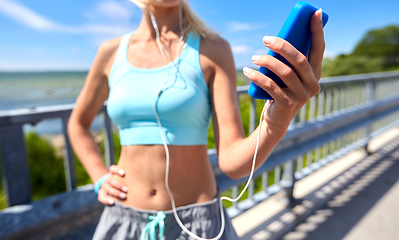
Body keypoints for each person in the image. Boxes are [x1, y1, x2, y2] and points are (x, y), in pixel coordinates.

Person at [67, 0, 325, 239]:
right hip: (123, 220)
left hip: (196, 225)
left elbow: (232, 163)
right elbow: (78, 123)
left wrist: (276, 122)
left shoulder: (213, 48)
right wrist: (99, 176)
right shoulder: (111, 52)